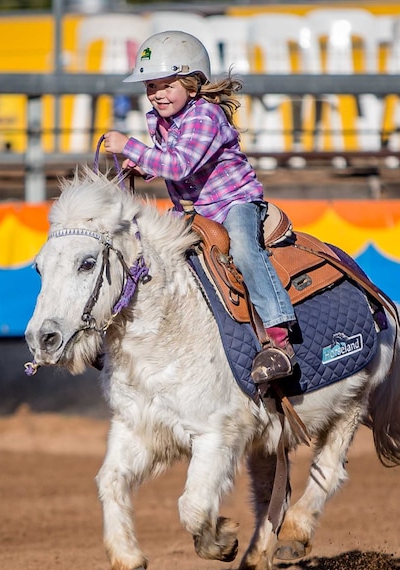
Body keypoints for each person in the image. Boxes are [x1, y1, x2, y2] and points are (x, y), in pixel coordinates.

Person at [103, 31, 297, 384]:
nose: (157, 94)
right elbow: (168, 162)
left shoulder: (204, 117)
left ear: (192, 85)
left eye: (166, 85)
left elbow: (179, 166)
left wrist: (129, 146)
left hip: (233, 202)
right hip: (193, 210)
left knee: (243, 249)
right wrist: (144, 167)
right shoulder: (161, 121)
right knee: (149, 252)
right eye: (150, 86)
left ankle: (279, 335)